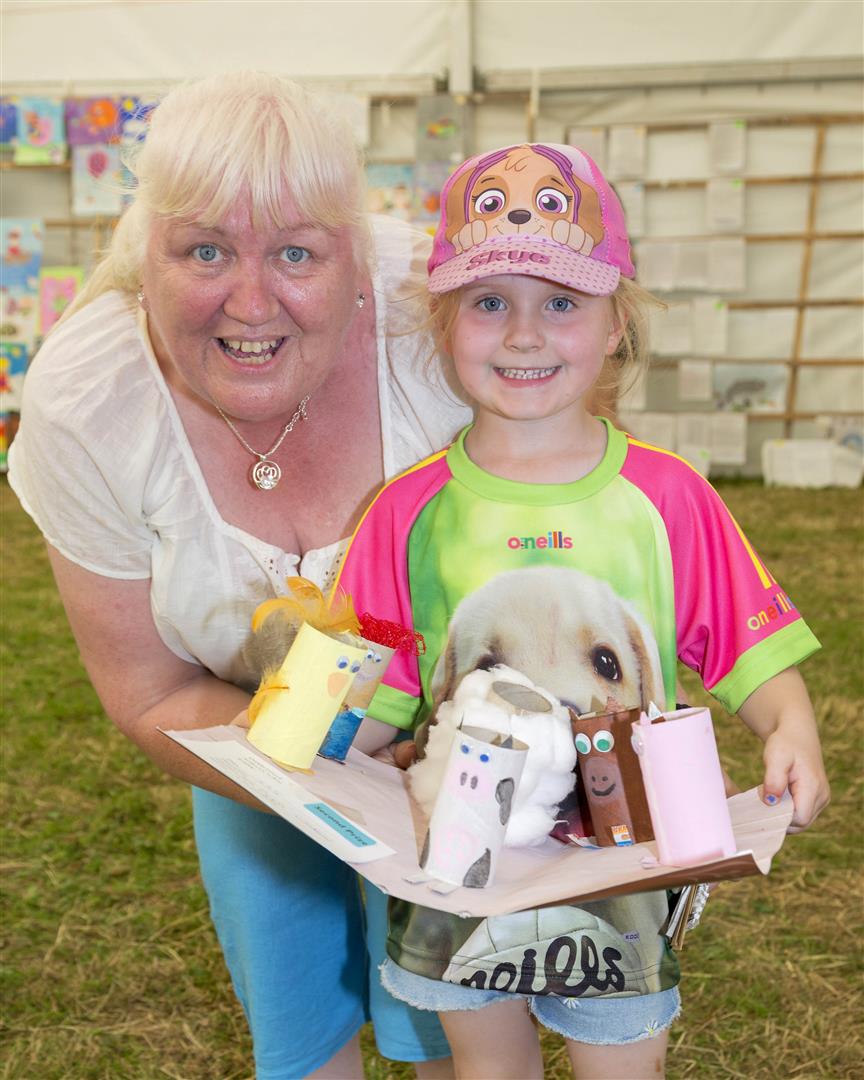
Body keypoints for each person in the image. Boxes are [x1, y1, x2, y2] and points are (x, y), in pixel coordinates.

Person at [8, 71, 474, 1079]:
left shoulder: (442, 315)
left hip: (459, 742)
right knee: (296, 1014)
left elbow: (570, 493)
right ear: (146, 254)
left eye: (297, 253)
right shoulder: (89, 402)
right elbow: (152, 691)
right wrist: (325, 773)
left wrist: (455, 760)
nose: (251, 303)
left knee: (449, 1018)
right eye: (206, 250)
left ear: (357, 258)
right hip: (238, 730)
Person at [333, 142, 831, 1079]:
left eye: (562, 302)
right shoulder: (403, 514)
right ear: (444, 324)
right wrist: (319, 747)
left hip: (625, 862)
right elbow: (379, 676)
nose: (525, 334)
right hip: (465, 856)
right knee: (489, 1068)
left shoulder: (669, 497)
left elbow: (747, 645)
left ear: (615, 324)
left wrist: (790, 727)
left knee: (622, 1066)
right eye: (490, 302)